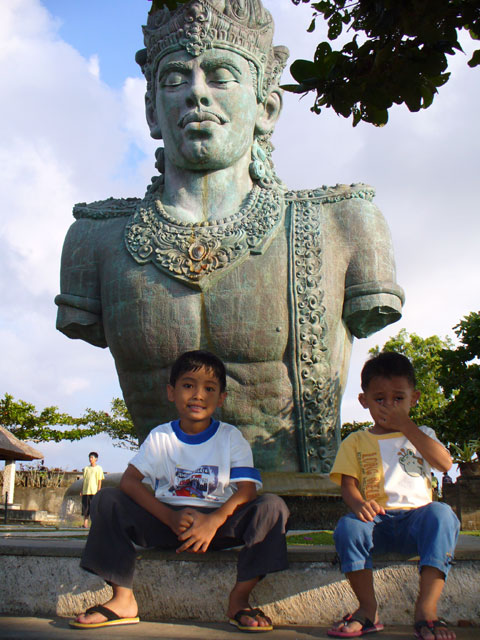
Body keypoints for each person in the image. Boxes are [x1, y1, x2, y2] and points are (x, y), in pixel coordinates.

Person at [55, 0, 404, 474]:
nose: (197, 94)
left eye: (220, 75)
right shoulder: (94, 238)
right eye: (176, 78)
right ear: (152, 112)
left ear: (267, 106)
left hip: (294, 498)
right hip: (166, 497)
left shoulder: (344, 224)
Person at [70, 350, 290, 632]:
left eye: (209, 388)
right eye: (188, 385)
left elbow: (247, 491)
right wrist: (169, 517)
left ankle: (239, 599)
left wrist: (214, 521)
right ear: (171, 392)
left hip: (218, 525)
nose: (198, 395)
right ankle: (122, 598)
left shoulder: (231, 437)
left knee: (273, 506)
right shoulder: (161, 436)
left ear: (221, 398)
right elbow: (129, 482)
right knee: (106, 499)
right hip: (168, 523)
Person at [328, 352, 459, 640]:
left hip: (418, 521)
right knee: (348, 526)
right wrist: (359, 504)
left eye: (399, 398)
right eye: (380, 399)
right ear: (364, 401)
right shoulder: (357, 440)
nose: (390, 406)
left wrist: (407, 427)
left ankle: (426, 610)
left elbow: (444, 463)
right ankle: (367, 609)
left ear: (415, 398)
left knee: (443, 514)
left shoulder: (422, 433)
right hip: (378, 523)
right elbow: (347, 485)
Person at [80, 452, 104, 529]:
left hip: (94, 491)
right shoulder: (86, 468)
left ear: (96, 459)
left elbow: (100, 480)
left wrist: (98, 490)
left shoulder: (99, 468)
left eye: (92, 458)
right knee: (85, 508)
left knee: (94, 508)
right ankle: (85, 523)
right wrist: (81, 490)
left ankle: (95, 524)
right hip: (86, 491)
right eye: (90, 458)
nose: (90, 459)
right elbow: (84, 480)